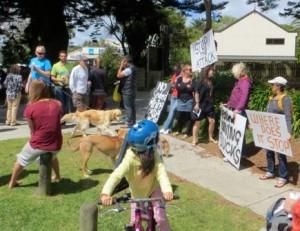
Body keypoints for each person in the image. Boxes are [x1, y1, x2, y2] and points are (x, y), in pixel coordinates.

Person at [100, 120, 173, 231]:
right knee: (134, 222)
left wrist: (167, 190)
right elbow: (116, 175)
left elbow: (161, 173)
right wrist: (105, 193)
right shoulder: (129, 159)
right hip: (136, 193)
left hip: (154, 190)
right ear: (149, 141)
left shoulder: (154, 154)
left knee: (160, 218)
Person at [8, 80, 62, 189]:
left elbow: (32, 131)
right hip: (56, 144)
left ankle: (12, 182)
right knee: (53, 157)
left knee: (21, 159)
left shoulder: (30, 108)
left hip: (39, 143)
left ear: (32, 91)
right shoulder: (58, 104)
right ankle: (57, 176)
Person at [259, 76, 292, 188]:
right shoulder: (271, 98)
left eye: (273, 85)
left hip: (280, 131)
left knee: (281, 154)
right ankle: (270, 171)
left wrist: (288, 133)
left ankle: (283, 177)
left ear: (278, 86)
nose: (271, 86)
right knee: (269, 151)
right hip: (270, 131)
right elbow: (267, 116)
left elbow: (288, 117)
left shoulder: (285, 99)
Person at [223, 62, 252, 161]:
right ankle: (233, 152)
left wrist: (238, 109)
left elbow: (244, 97)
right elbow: (235, 95)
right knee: (233, 132)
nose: (234, 75)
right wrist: (228, 104)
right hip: (234, 109)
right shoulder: (240, 81)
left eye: (235, 73)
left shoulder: (245, 82)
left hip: (239, 111)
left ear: (241, 72)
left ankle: (240, 153)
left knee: (238, 133)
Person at [192, 65, 217, 145]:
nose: (213, 72)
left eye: (213, 71)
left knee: (212, 121)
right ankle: (194, 139)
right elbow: (196, 92)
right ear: (207, 71)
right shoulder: (201, 81)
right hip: (200, 104)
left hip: (209, 105)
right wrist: (197, 103)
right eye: (212, 71)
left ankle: (210, 137)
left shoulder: (212, 81)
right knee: (197, 122)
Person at [172, 65, 195, 138]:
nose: (190, 71)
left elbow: (192, 89)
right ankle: (179, 131)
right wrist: (186, 87)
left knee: (188, 117)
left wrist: (183, 87)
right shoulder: (179, 79)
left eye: (191, 70)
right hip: (180, 100)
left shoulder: (192, 80)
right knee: (179, 116)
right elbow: (177, 88)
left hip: (189, 100)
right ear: (185, 71)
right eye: (189, 69)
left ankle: (187, 133)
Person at [160, 64, 181, 135]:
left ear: (179, 69)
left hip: (179, 96)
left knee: (172, 112)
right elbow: (171, 84)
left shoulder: (181, 76)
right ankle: (170, 128)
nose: (175, 72)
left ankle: (165, 127)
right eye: (174, 70)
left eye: (176, 70)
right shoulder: (174, 75)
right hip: (173, 95)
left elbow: (178, 85)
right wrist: (173, 84)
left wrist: (174, 84)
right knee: (172, 113)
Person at [117, 56, 136, 127]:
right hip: (132, 90)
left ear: (126, 62)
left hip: (127, 91)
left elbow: (118, 75)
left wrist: (121, 66)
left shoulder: (128, 70)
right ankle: (133, 121)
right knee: (132, 106)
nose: (123, 63)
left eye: (123, 62)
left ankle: (129, 123)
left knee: (128, 107)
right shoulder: (133, 68)